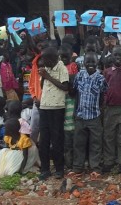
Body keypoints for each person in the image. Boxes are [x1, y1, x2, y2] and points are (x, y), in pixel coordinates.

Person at [72, 52, 107, 177]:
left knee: (95, 144)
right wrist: (75, 112)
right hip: (81, 115)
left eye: (93, 62)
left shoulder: (101, 78)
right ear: (84, 63)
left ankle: (95, 168)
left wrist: (100, 112)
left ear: (97, 63)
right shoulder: (79, 76)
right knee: (79, 143)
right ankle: (77, 167)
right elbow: (77, 94)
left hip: (94, 116)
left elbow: (103, 96)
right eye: (88, 62)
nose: (90, 64)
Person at [37, 46, 70, 180]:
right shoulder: (47, 69)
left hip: (57, 108)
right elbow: (41, 86)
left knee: (57, 140)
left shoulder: (62, 68)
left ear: (53, 59)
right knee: (44, 140)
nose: (43, 62)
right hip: (44, 107)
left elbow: (65, 87)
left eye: (45, 59)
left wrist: (48, 77)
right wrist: (44, 77)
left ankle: (59, 169)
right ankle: (45, 169)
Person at [102, 46, 121, 174]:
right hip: (110, 108)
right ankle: (109, 161)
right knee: (109, 135)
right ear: (111, 57)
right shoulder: (107, 72)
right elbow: (103, 90)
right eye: (115, 55)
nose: (118, 58)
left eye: (120, 55)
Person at [59, 45, 77, 173]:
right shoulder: (62, 100)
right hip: (65, 128)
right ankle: (69, 165)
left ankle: (75, 165)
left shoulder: (76, 99)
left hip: (75, 128)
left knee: (76, 146)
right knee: (67, 147)